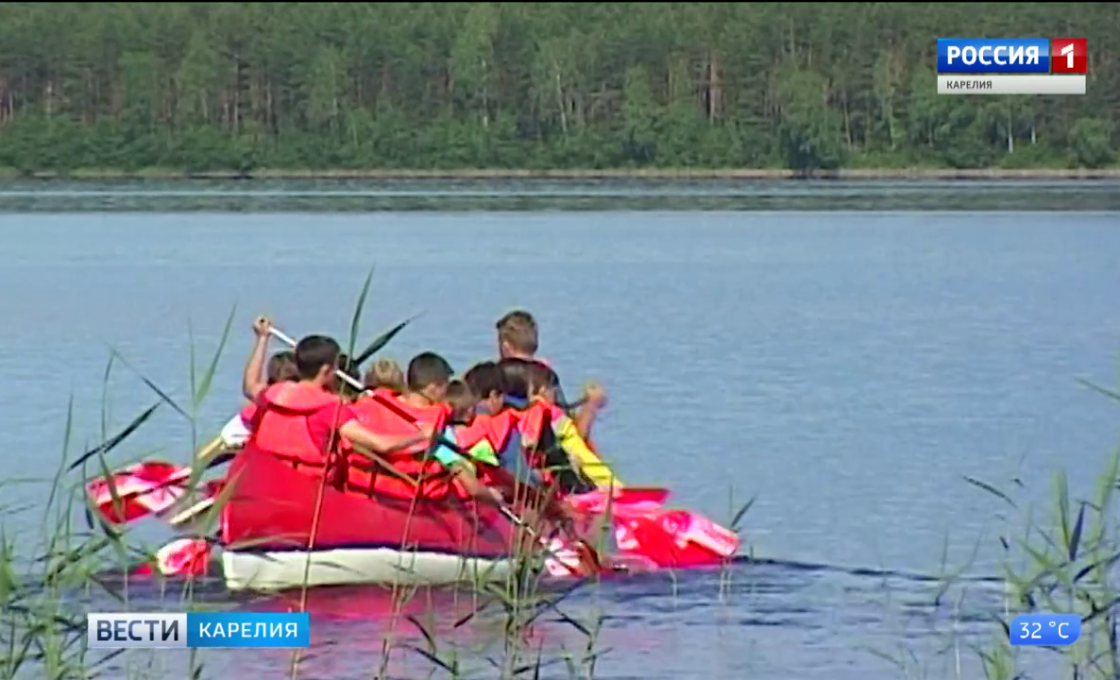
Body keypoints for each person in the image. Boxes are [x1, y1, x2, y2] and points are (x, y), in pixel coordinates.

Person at [240, 317, 433, 481]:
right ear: (327, 370)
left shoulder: (274, 394)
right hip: (308, 490)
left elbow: (250, 385)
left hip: (269, 480)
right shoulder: (330, 409)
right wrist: (422, 435)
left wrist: (262, 339)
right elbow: (381, 445)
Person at [345, 351, 502, 506]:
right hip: (413, 505)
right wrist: (491, 497)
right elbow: (468, 482)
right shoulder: (436, 422)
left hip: (365, 495)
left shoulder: (374, 403)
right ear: (433, 388)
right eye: (445, 385)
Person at [494, 310, 607, 441]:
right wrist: (590, 406)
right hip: (545, 451)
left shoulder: (493, 376)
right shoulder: (547, 378)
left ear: (505, 347)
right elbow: (574, 437)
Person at [220, 350, 298, 448]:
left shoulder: (267, 393)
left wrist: (262, 339)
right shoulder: (267, 393)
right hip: (245, 433)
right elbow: (250, 386)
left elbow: (250, 385)